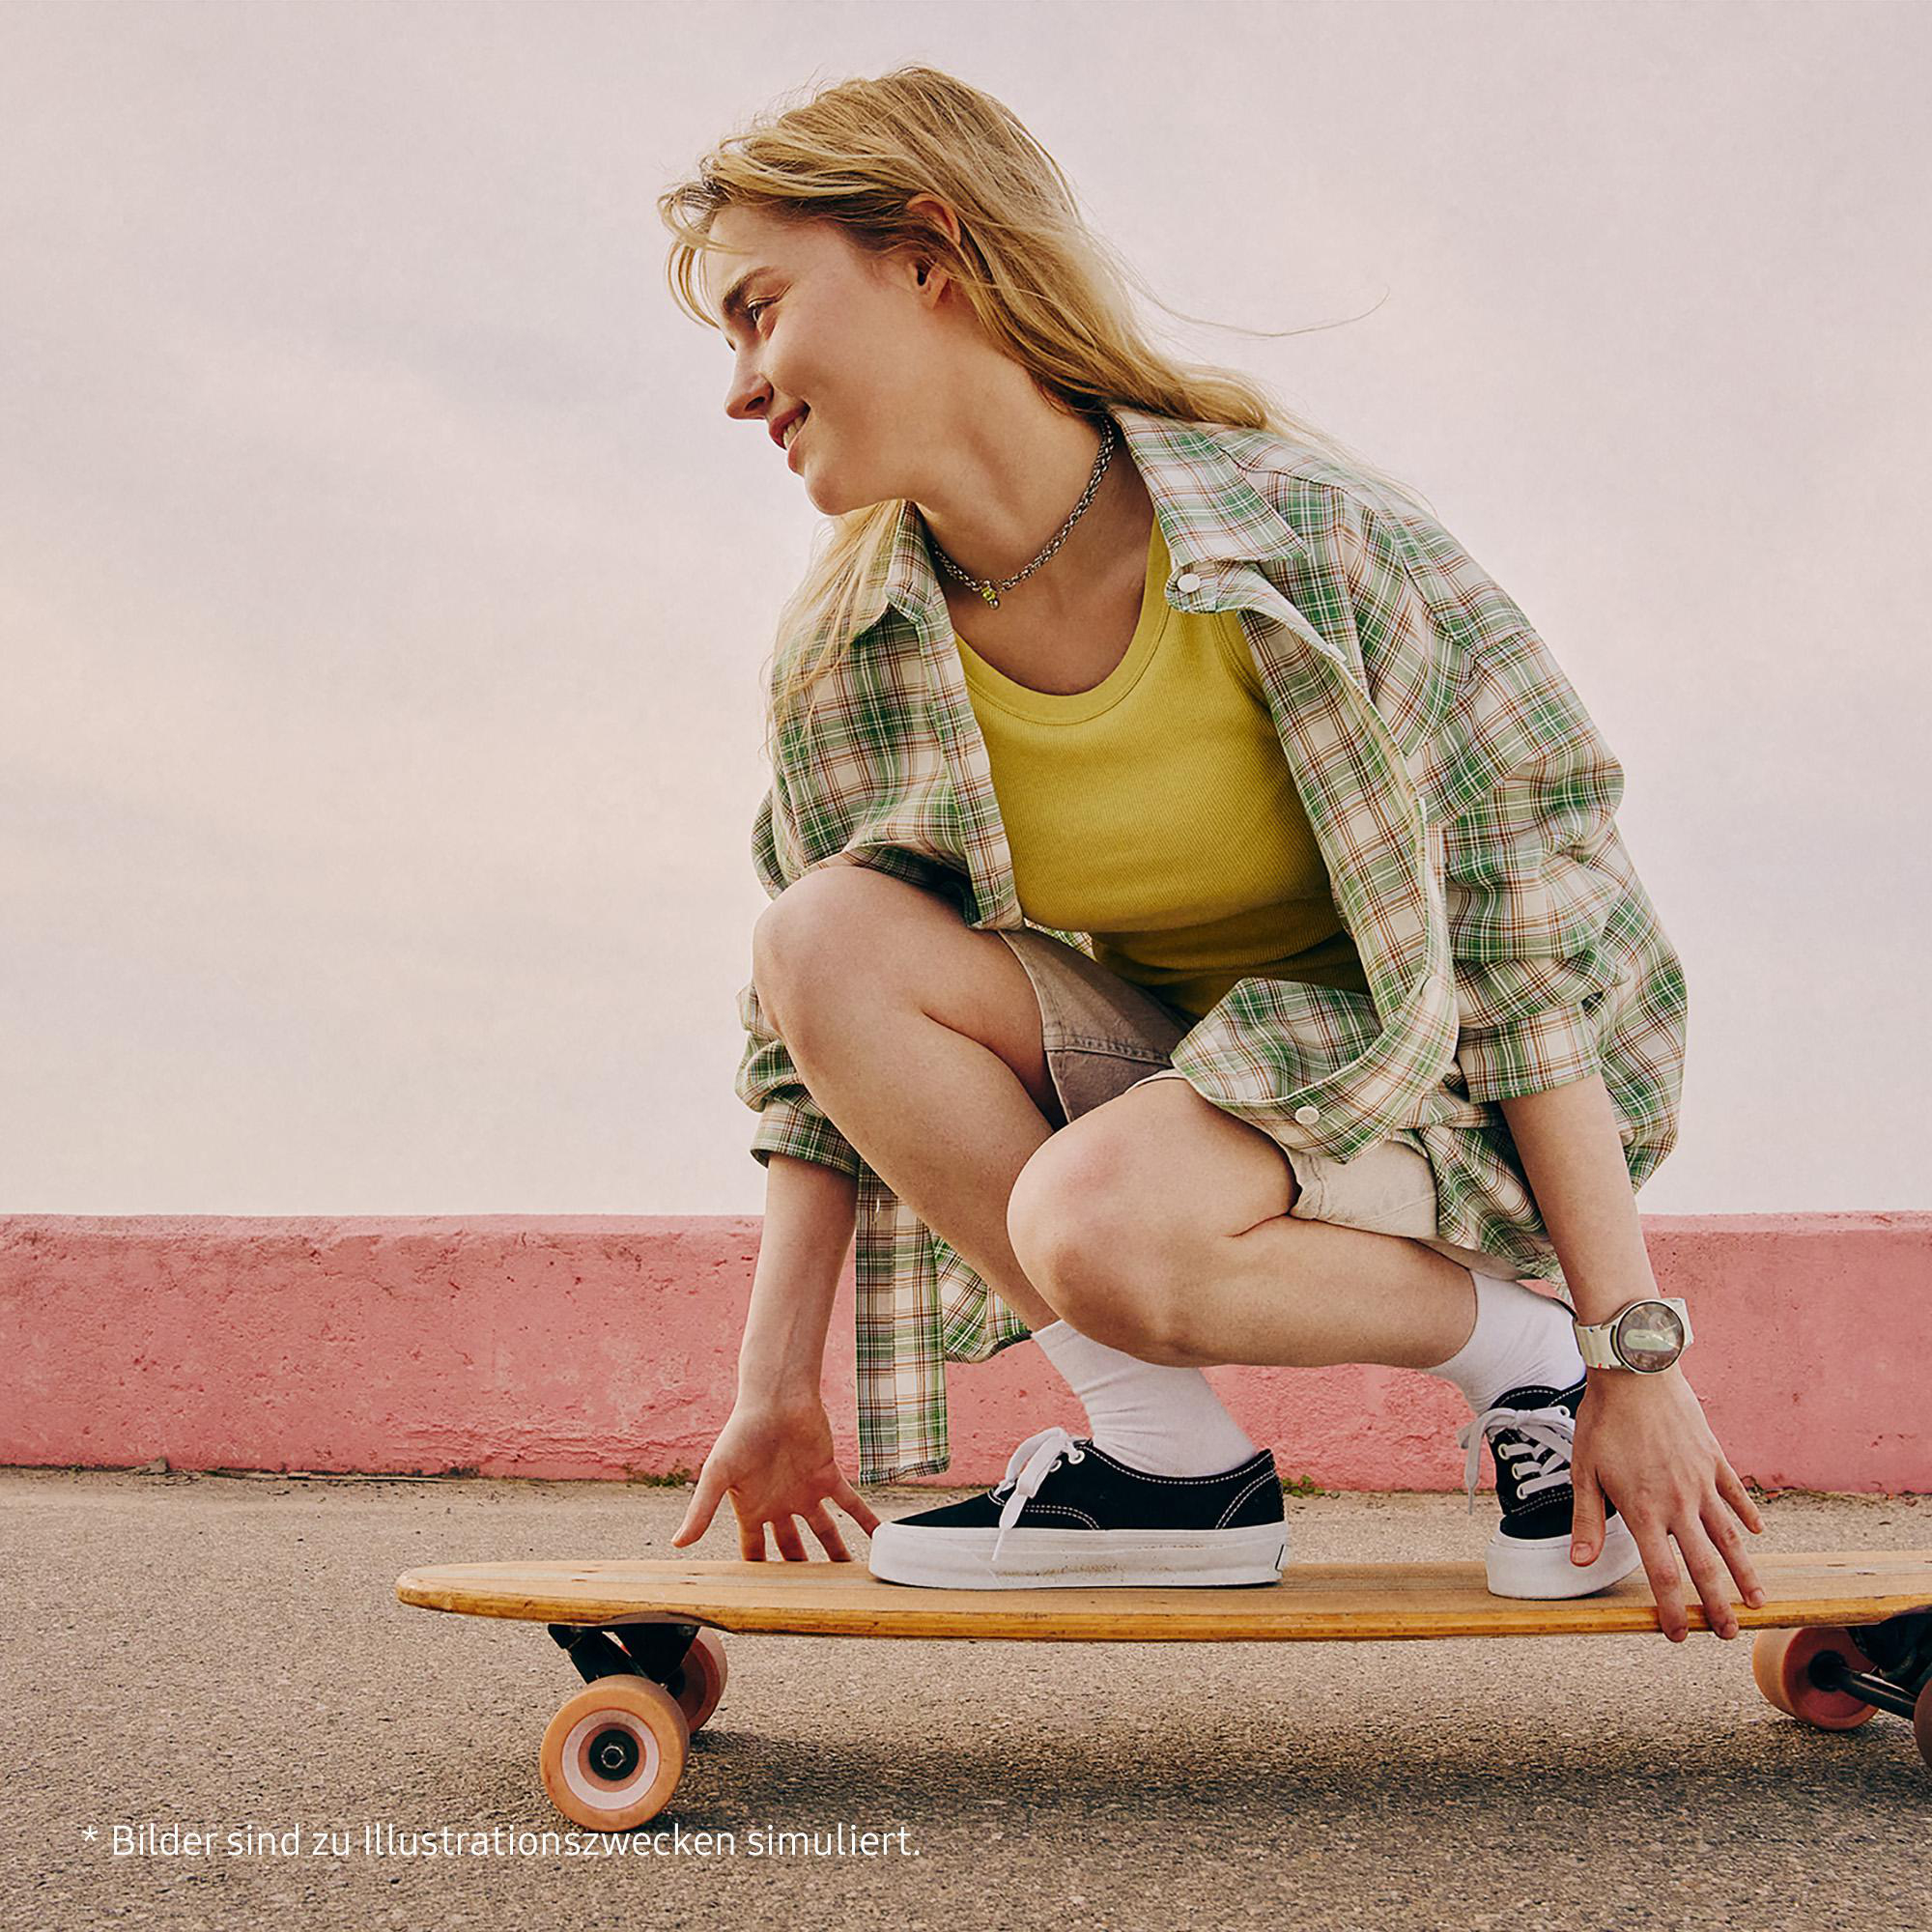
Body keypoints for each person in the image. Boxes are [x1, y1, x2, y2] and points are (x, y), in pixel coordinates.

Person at [660, 65, 1768, 1642]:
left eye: (763, 310)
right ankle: (1169, 1464)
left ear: (927, 251)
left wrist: (1630, 1357)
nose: (740, 385)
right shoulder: (854, 654)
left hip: (1448, 1083)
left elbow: (1529, 957)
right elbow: (806, 1054)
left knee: (1095, 1218)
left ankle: (1524, 1361)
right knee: (818, 938)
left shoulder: (1308, 544)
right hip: (1199, 1086)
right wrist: (774, 1392)